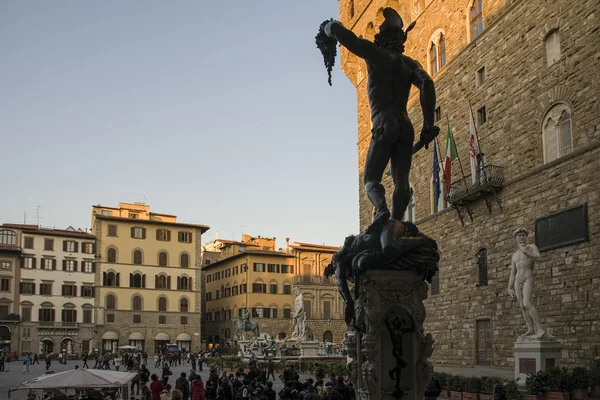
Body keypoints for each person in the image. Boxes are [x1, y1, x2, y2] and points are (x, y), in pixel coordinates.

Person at [320, 8, 438, 243]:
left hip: (383, 123)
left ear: (383, 37)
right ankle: (395, 223)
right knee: (401, 179)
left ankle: (382, 209)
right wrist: (427, 124)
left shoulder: (375, 54)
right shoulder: (409, 64)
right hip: (405, 124)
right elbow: (427, 84)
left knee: (370, 180)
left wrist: (328, 27)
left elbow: (345, 36)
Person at [508, 227, 546, 339]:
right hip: (517, 280)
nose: (521, 237)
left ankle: (540, 329)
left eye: (523, 235)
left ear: (526, 237)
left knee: (527, 303)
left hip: (528, 277)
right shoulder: (514, 255)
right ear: (516, 238)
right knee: (522, 306)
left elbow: (538, 257)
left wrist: (527, 253)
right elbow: (512, 273)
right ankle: (530, 328)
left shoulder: (531, 247)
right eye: (519, 235)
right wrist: (509, 287)